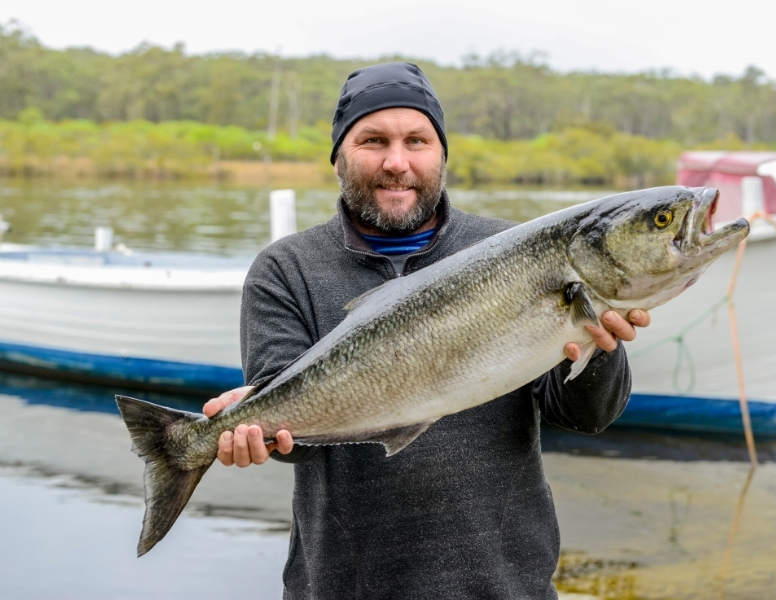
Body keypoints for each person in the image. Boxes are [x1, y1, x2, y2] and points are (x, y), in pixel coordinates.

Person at [203, 62, 650, 599]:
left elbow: (585, 416)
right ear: (339, 155)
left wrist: (601, 347)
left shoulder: (516, 253)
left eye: (417, 140)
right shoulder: (286, 268)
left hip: (504, 587)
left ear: (441, 153)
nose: (397, 162)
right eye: (373, 140)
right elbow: (295, 432)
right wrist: (258, 430)